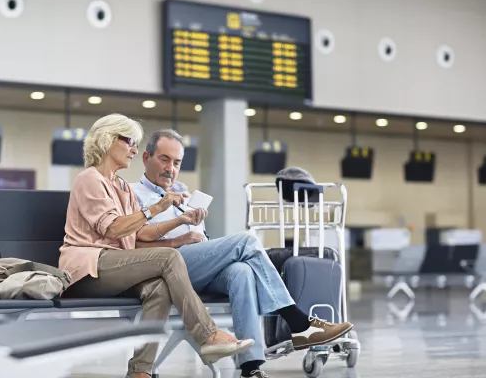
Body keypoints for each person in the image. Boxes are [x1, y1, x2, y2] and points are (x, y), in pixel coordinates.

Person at [132, 129, 354, 378]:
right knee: (246, 241)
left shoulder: (183, 193)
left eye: (177, 162)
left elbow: (200, 239)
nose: (170, 168)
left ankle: (250, 367)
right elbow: (132, 248)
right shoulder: (132, 194)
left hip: (196, 266)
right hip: (165, 269)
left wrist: (200, 233)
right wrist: (181, 239)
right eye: (164, 159)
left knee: (241, 271)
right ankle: (298, 321)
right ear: (146, 158)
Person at [59, 115, 254, 378]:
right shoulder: (90, 179)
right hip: (88, 268)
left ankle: (140, 371)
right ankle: (207, 335)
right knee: (169, 258)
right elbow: (113, 228)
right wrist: (157, 208)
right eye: (129, 141)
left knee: (159, 289)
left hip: (116, 265)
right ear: (107, 140)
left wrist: (180, 221)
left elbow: (137, 234)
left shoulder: (123, 188)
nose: (134, 149)